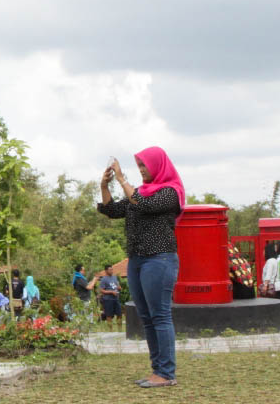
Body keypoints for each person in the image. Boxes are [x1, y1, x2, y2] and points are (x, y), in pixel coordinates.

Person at [97, 147, 184, 389]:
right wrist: (105, 186)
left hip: (159, 259)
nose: (142, 171)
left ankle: (167, 372)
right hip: (137, 261)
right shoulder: (140, 192)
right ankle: (157, 370)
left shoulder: (170, 192)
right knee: (146, 317)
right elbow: (112, 210)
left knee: (160, 315)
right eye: (140, 167)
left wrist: (122, 179)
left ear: (158, 166)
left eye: (145, 166)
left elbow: (143, 204)